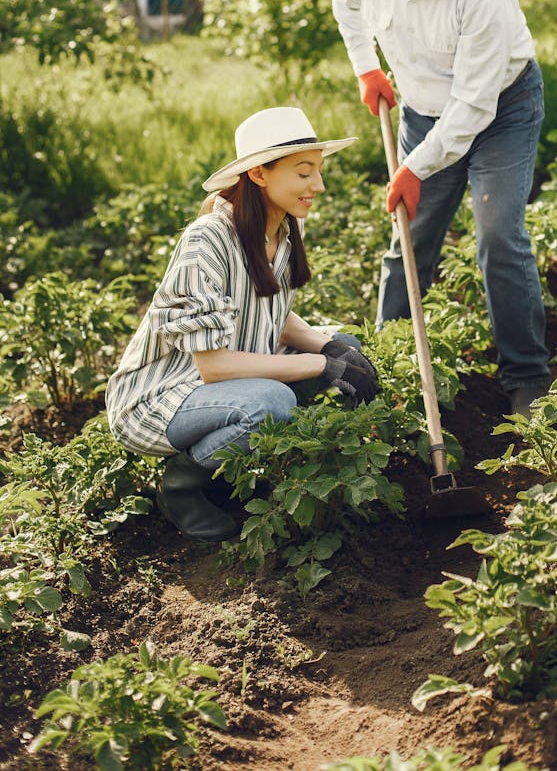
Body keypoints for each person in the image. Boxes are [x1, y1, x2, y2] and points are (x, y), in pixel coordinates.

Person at [331, 0, 550, 416]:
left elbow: (474, 106)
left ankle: (526, 377)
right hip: (423, 110)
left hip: (502, 109)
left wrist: (413, 169)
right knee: (409, 234)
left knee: (499, 233)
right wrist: (366, 70)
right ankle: (381, 364)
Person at [106, 107, 379, 542]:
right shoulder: (208, 239)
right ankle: (180, 486)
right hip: (163, 395)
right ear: (259, 174)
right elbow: (214, 366)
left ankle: (274, 466)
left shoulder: (281, 230)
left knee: (345, 343)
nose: (319, 186)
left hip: (222, 382)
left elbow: (270, 311)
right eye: (304, 172)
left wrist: (330, 349)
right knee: (270, 402)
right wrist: (318, 366)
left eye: (319, 172)